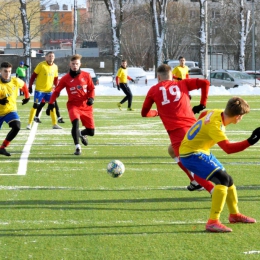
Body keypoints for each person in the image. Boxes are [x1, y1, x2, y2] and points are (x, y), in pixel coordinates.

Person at [179, 97, 259, 232]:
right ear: (238, 117)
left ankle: (234, 215)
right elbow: (228, 149)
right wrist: (251, 140)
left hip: (199, 151)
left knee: (229, 180)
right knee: (223, 180)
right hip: (191, 155)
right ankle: (213, 221)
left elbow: (204, 114)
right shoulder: (215, 125)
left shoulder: (217, 112)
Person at [141, 64, 214, 193]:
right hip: (195, 128)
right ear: (172, 75)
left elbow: (144, 113)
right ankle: (195, 182)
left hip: (177, 132)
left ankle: (213, 190)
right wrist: (202, 103)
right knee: (173, 152)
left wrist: (157, 112)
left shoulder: (153, 90)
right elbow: (205, 82)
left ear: (158, 77)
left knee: (190, 163)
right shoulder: (182, 84)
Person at [46, 54, 95, 155]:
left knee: (91, 132)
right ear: (70, 64)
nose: (75, 66)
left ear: (80, 64)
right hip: (73, 105)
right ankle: (77, 147)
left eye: (76, 64)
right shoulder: (65, 78)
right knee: (75, 123)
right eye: (73, 64)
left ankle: (81, 134)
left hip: (86, 106)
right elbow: (56, 91)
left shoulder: (86, 75)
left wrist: (91, 98)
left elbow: (91, 89)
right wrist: (51, 103)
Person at [0, 61, 30, 156]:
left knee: (17, 126)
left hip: (10, 111)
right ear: (0, 71)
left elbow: (24, 85)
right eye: (5, 71)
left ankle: (3, 147)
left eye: (9, 71)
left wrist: (27, 97)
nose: (7, 73)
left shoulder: (15, 81)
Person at [26, 51, 62, 130]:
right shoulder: (41, 65)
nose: (51, 57)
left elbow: (56, 79)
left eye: (52, 56)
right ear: (45, 57)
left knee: (52, 106)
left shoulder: (55, 67)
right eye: (49, 56)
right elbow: (33, 76)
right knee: (35, 106)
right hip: (39, 90)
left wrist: (57, 89)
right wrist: (30, 86)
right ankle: (29, 124)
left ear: (54, 57)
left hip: (49, 91)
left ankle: (54, 124)